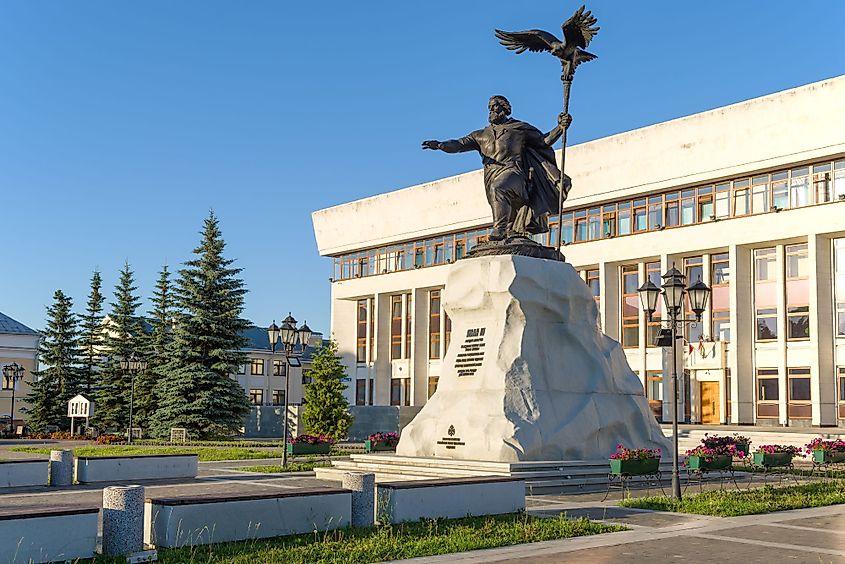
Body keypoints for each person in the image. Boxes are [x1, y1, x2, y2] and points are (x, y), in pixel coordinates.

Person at [422, 95, 571, 241]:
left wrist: (560, 127)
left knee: (499, 188)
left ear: (505, 109)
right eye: (489, 108)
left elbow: (543, 141)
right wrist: (441, 145)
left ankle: (499, 229)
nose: (491, 110)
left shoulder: (518, 129)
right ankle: (509, 232)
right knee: (501, 201)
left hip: (514, 172)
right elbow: (459, 144)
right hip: (491, 175)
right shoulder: (480, 135)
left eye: (495, 106)